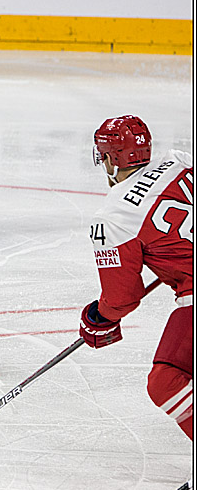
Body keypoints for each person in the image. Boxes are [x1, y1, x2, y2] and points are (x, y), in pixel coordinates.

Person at [79, 115, 193, 440]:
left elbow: (122, 298)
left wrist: (99, 317)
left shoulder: (113, 216)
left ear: (112, 160)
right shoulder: (179, 161)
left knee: (166, 381)